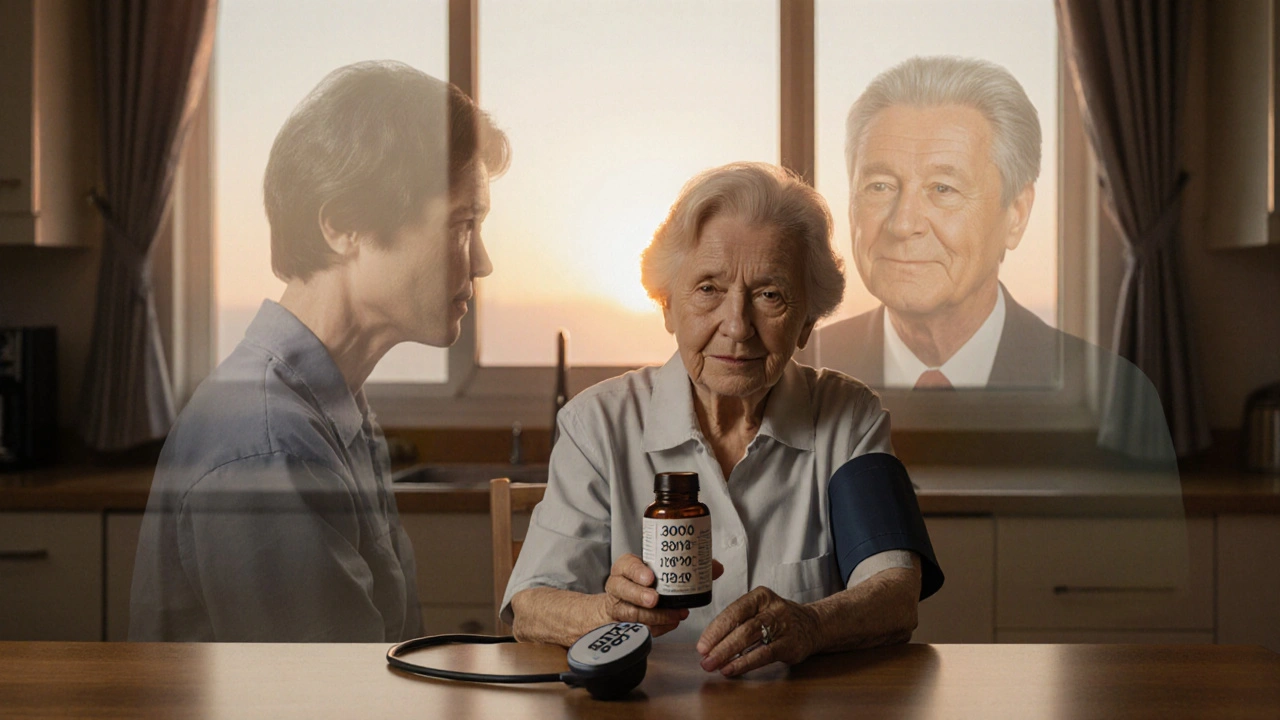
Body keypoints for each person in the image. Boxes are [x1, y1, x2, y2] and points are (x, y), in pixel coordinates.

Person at [502, 162, 941, 677]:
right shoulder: (596, 425)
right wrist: (607, 611)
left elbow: (894, 592)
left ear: (806, 324)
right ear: (667, 307)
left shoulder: (849, 419)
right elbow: (532, 605)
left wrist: (811, 624)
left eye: (769, 295)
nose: (736, 326)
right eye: (708, 289)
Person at [130, 61, 510, 641]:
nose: (481, 262)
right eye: (461, 225)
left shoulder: (328, 407)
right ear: (343, 227)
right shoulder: (271, 445)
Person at [817, 55, 1064, 390]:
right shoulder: (792, 381)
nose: (903, 225)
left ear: (1016, 214)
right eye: (880, 186)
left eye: (943, 189)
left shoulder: (1107, 393)